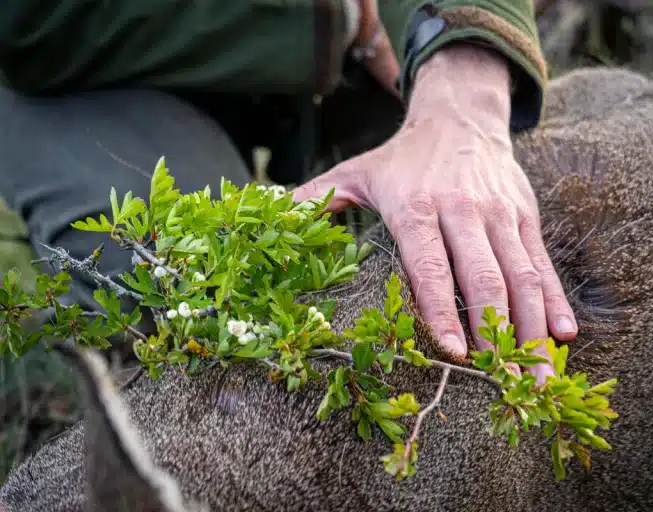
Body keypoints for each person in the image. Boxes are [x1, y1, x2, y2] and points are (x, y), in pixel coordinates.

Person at [0, 0, 577, 382]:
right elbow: (31, 21)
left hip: (328, 37)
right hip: (73, 61)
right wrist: (346, 21)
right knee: (171, 267)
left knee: (480, 210)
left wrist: (463, 86)